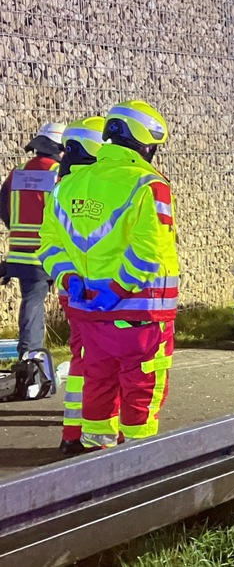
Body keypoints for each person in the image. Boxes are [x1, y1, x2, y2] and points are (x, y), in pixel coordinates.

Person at [38, 100, 178, 450]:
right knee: (141, 390)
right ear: (146, 143)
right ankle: (139, 465)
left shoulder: (67, 186)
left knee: (97, 384)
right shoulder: (148, 183)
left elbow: (49, 246)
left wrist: (71, 280)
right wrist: (117, 288)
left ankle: (93, 458)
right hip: (140, 313)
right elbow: (149, 250)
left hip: (88, 311)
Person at [53, 116, 106, 455]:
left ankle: (73, 431)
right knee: (99, 360)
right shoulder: (97, 186)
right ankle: (94, 435)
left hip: (68, 289)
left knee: (80, 357)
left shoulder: (61, 185)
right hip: (97, 293)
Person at [1, 122, 65, 357]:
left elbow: (4, 207)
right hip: (46, 251)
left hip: (19, 250)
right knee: (36, 302)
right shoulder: (58, 173)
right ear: (59, 148)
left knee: (31, 299)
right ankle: (31, 354)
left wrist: (18, 229)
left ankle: (30, 352)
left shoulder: (18, 171)